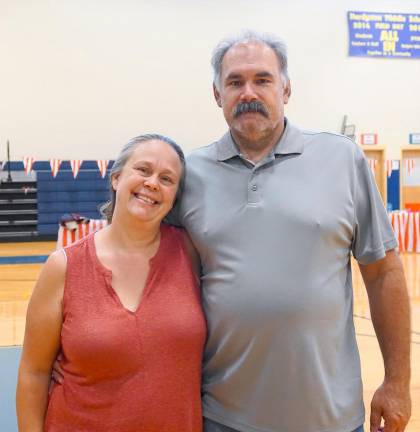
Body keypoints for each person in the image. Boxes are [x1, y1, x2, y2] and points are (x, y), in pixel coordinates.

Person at [171, 31, 411, 432]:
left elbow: (383, 272)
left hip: (330, 418)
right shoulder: (190, 173)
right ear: (217, 93)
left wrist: (398, 383)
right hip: (222, 417)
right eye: (235, 82)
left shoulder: (341, 158)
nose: (248, 92)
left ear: (286, 88)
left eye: (262, 79)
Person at [16, 134, 206, 432]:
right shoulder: (64, 267)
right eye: (143, 170)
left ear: (174, 197)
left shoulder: (192, 253)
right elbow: (34, 373)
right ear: (117, 178)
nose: (153, 183)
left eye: (167, 179)